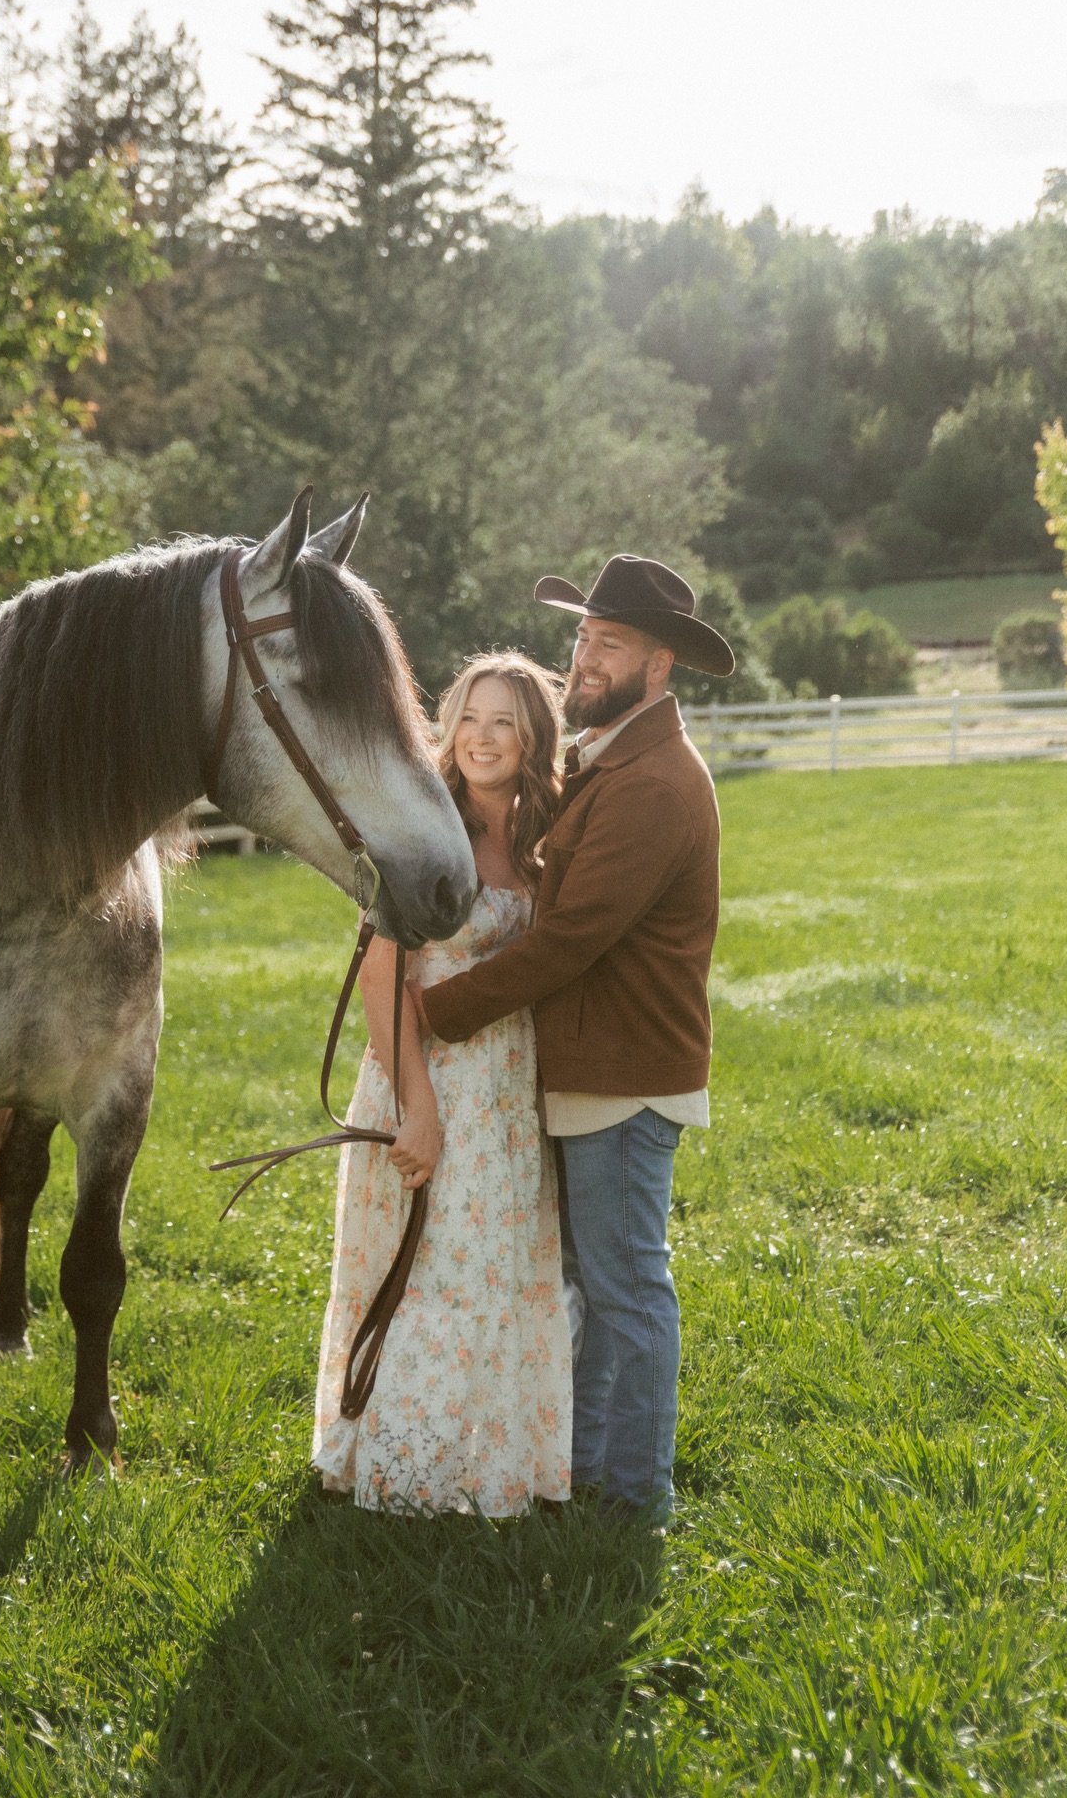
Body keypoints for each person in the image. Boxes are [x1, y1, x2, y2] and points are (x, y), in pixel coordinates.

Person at [411, 557, 734, 1525]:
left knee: (628, 1290)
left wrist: (430, 1010)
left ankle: (634, 1497)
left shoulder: (654, 784)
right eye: (583, 639)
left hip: (623, 1075)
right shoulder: (616, 759)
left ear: (661, 664)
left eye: (612, 645)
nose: (586, 660)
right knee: (594, 1289)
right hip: (591, 1068)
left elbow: (570, 938)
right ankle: (586, 1473)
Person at [312, 652, 572, 1515]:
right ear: (446, 726)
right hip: (424, 1077)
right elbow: (385, 981)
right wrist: (417, 1111)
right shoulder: (422, 834)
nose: (482, 738)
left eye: (504, 721)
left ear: (531, 736)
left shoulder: (543, 837)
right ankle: (405, 1470)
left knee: (496, 1272)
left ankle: (487, 1464)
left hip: (508, 1089)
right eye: (469, 717)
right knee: (431, 1273)